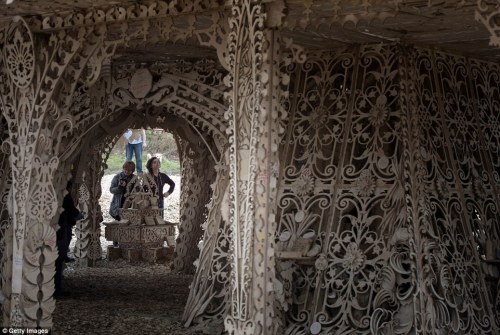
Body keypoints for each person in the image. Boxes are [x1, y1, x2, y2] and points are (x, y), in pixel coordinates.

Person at [55, 182, 83, 297]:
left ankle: (55, 288)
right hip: (60, 229)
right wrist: (80, 215)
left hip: (59, 228)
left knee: (56, 260)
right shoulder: (63, 194)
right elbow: (71, 209)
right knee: (57, 259)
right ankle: (56, 289)